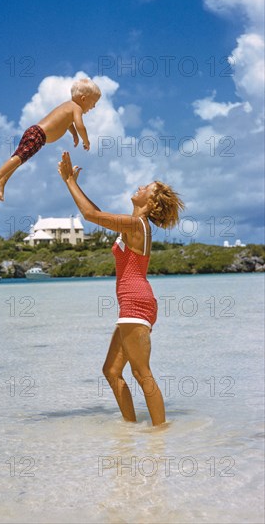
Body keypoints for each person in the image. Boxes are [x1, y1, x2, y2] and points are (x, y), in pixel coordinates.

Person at [57, 151, 184, 426]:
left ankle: (160, 434)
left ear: (150, 204)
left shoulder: (137, 225)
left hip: (136, 304)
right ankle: (130, 430)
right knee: (112, 371)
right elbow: (98, 213)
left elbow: (90, 215)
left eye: (146, 188)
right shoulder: (133, 225)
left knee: (141, 373)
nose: (139, 187)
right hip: (134, 304)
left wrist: (69, 182)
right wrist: (75, 184)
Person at [0, 78, 101, 201]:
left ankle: (3, 181)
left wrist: (74, 134)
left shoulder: (68, 106)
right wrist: (86, 141)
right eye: (93, 102)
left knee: (20, 158)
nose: (94, 106)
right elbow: (80, 126)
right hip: (38, 134)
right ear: (84, 99)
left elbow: (69, 122)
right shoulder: (77, 108)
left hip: (36, 134)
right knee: (20, 157)